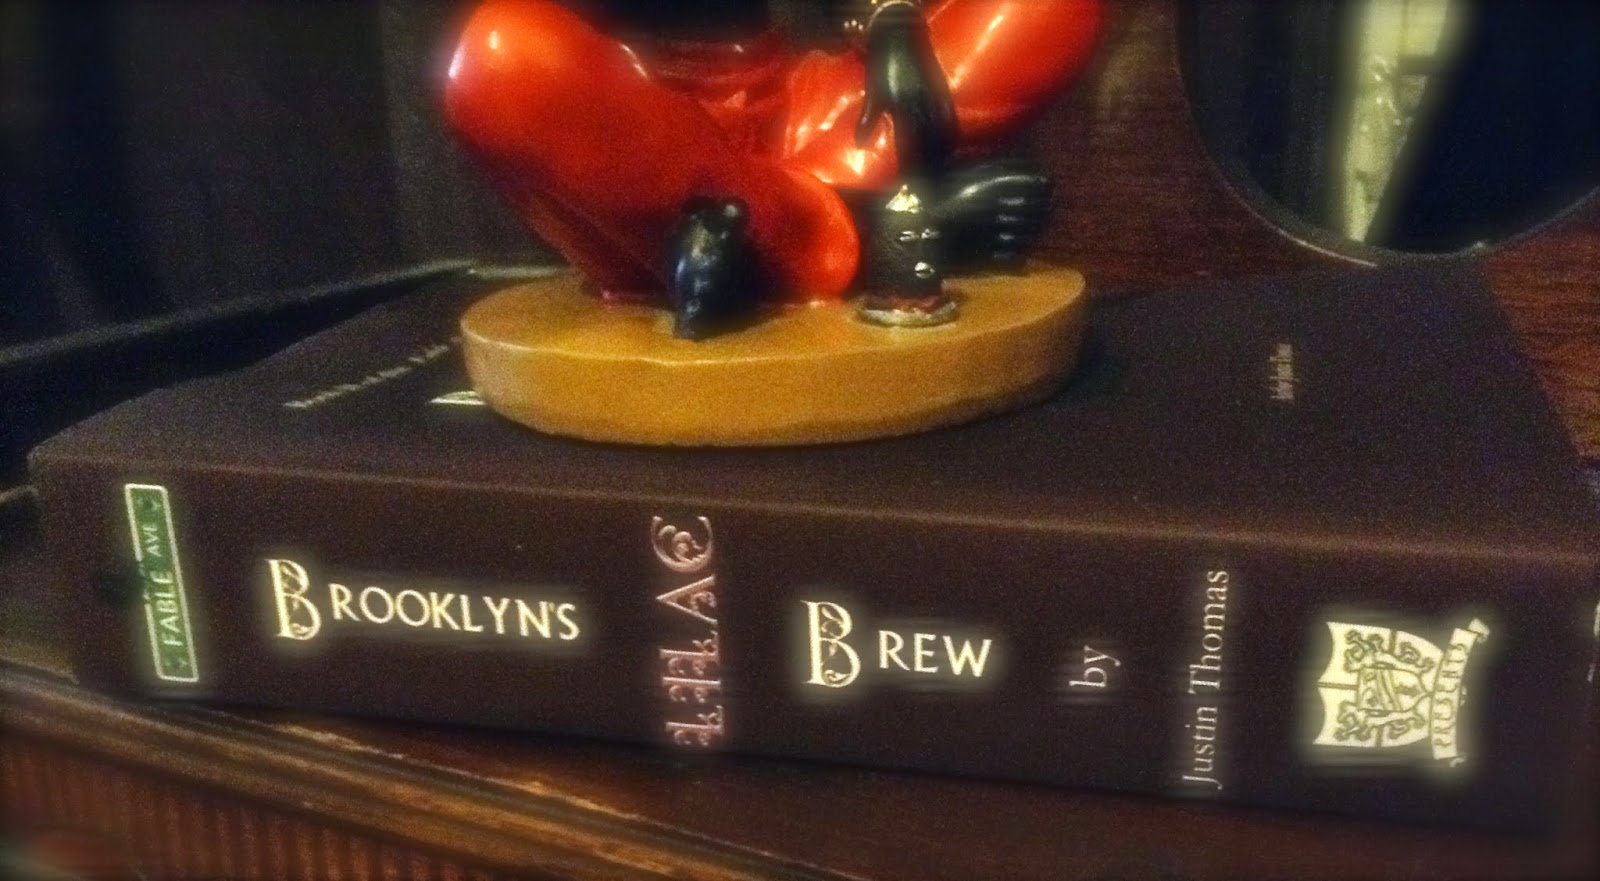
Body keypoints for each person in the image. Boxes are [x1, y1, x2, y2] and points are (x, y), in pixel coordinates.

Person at [444, 0, 1102, 336]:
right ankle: (874, 233)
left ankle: (773, 237)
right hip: (644, 138)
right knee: (497, 58)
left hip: (797, 118)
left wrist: (891, 24)